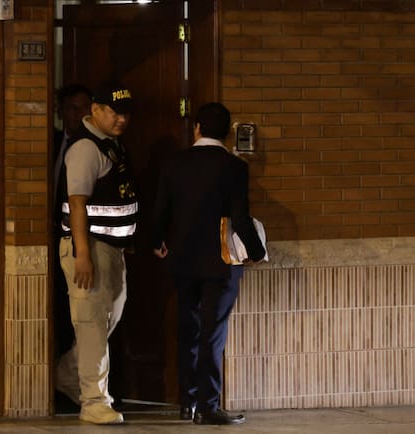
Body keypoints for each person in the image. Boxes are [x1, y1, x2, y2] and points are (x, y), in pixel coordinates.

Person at [150, 102, 265, 425]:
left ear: (197, 128)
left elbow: (161, 209)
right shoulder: (234, 167)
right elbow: (240, 218)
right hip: (220, 262)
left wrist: (156, 241)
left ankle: (186, 402)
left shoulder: (175, 164)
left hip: (182, 260)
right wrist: (256, 252)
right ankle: (208, 406)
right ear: (227, 133)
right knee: (212, 334)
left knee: (188, 331)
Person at [55, 82, 137, 425]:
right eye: (114, 112)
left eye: (125, 113)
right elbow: (77, 204)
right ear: (96, 111)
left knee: (105, 322)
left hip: (112, 249)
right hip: (90, 248)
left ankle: (66, 375)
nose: (121, 119)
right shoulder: (86, 148)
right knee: (91, 325)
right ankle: (94, 401)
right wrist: (82, 254)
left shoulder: (111, 144)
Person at [52, 84, 92, 361]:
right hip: (52, 236)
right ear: (60, 112)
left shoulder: (94, 147)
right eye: (71, 108)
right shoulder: (51, 142)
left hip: (82, 240)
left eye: (83, 108)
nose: (77, 114)